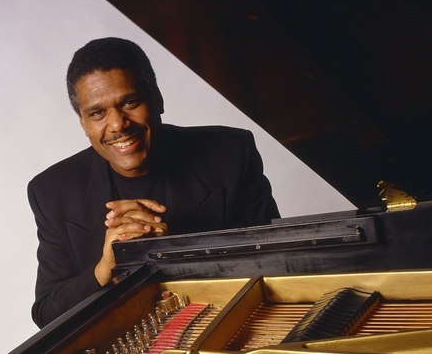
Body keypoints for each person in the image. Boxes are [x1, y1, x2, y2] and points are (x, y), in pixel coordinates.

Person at [28, 37, 279, 327]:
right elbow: (46, 313)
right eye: (97, 113)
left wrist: (172, 254)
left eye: (129, 102)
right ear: (83, 123)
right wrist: (104, 268)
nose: (118, 124)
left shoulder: (231, 153)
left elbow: (277, 265)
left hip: (235, 325)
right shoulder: (51, 192)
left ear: (157, 99)